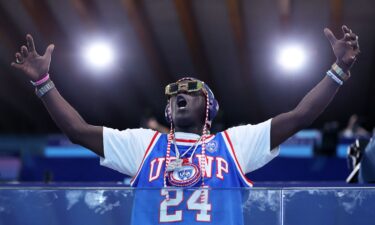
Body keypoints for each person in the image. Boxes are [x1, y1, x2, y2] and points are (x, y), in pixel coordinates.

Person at [11, 25, 359, 224]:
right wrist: (43, 81)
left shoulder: (234, 143)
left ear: (208, 105)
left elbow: (299, 116)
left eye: (190, 91)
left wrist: (339, 69)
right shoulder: (144, 144)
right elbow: (77, 131)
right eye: (173, 92)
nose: (180, 93)